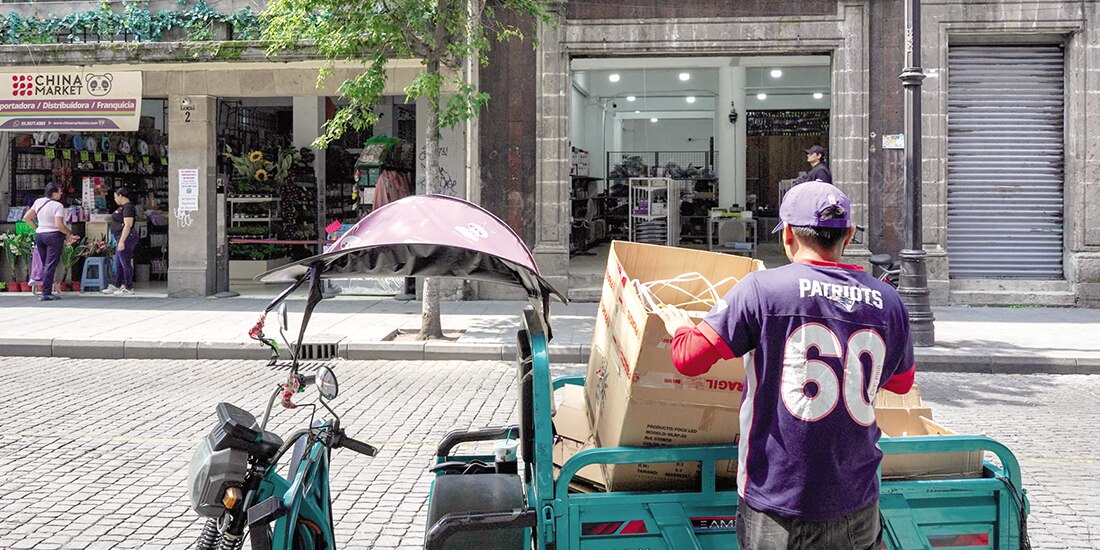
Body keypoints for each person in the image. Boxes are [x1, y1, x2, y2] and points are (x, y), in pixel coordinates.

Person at [655, 181, 915, 550]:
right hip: (856, 499)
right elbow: (903, 383)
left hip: (777, 500)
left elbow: (688, 359)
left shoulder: (763, 289)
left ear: (788, 234)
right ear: (850, 234)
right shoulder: (888, 301)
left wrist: (680, 326)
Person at [22, 183, 76, 302]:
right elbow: (59, 225)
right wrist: (69, 232)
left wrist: (36, 228)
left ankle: (45, 290)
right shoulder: (58, 206)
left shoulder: (38, 202)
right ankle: (46, 292)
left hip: (40, 235)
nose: (61, 194)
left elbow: (26, 217)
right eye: (59, 192)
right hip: (54, 236)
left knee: (45, 263)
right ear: (54, 193)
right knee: (50, 265)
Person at [102, 188, 138, 296]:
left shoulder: (128, 208)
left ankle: (128, 286)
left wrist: (122, 241)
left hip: (125, 237)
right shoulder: (122, 208)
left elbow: (128, 225)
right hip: (118, 237)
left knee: (125, 262)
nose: (115, 199)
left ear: (121, 196)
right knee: (118, 262)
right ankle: (116, 284)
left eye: (115, 197)